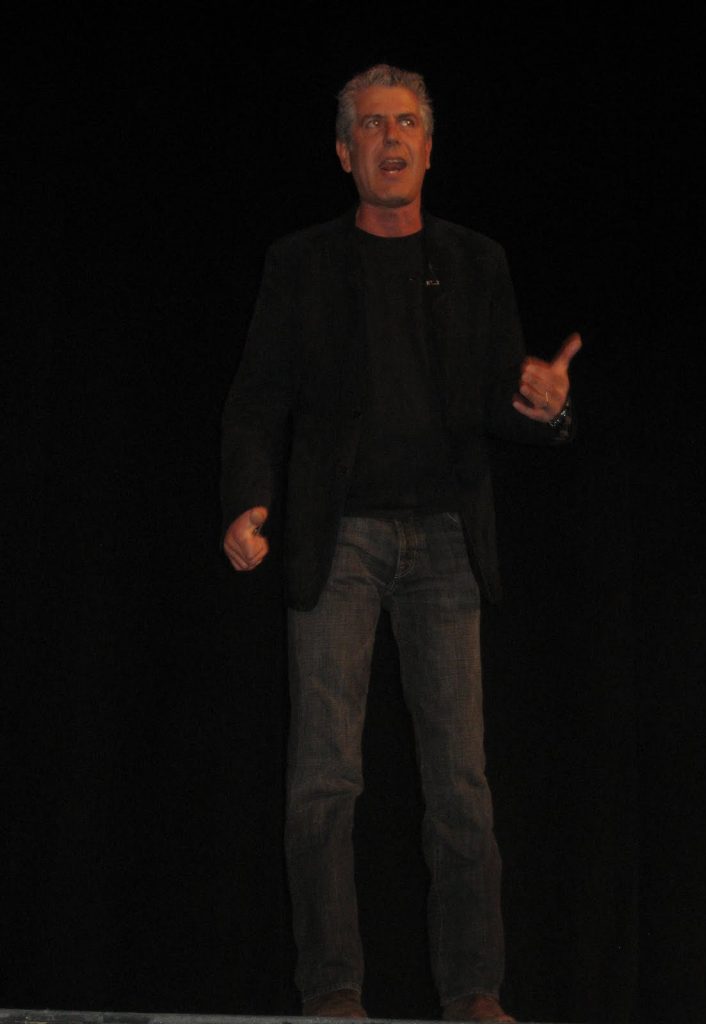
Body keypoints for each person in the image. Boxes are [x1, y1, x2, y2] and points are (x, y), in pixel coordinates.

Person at [221, 64, 581, 1022]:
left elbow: (506, 399)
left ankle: (474, 992)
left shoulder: (475, 261)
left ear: (429, 145)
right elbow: (259, 396)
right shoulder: (302, 263)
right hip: (336, 539)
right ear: (345, 153)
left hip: (446, 545)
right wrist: (247, 501)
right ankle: (332, 988)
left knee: (460, 783)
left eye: (407, 122)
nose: (391, 137)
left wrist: (546, 406)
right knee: (324, 778)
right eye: (372, 124)